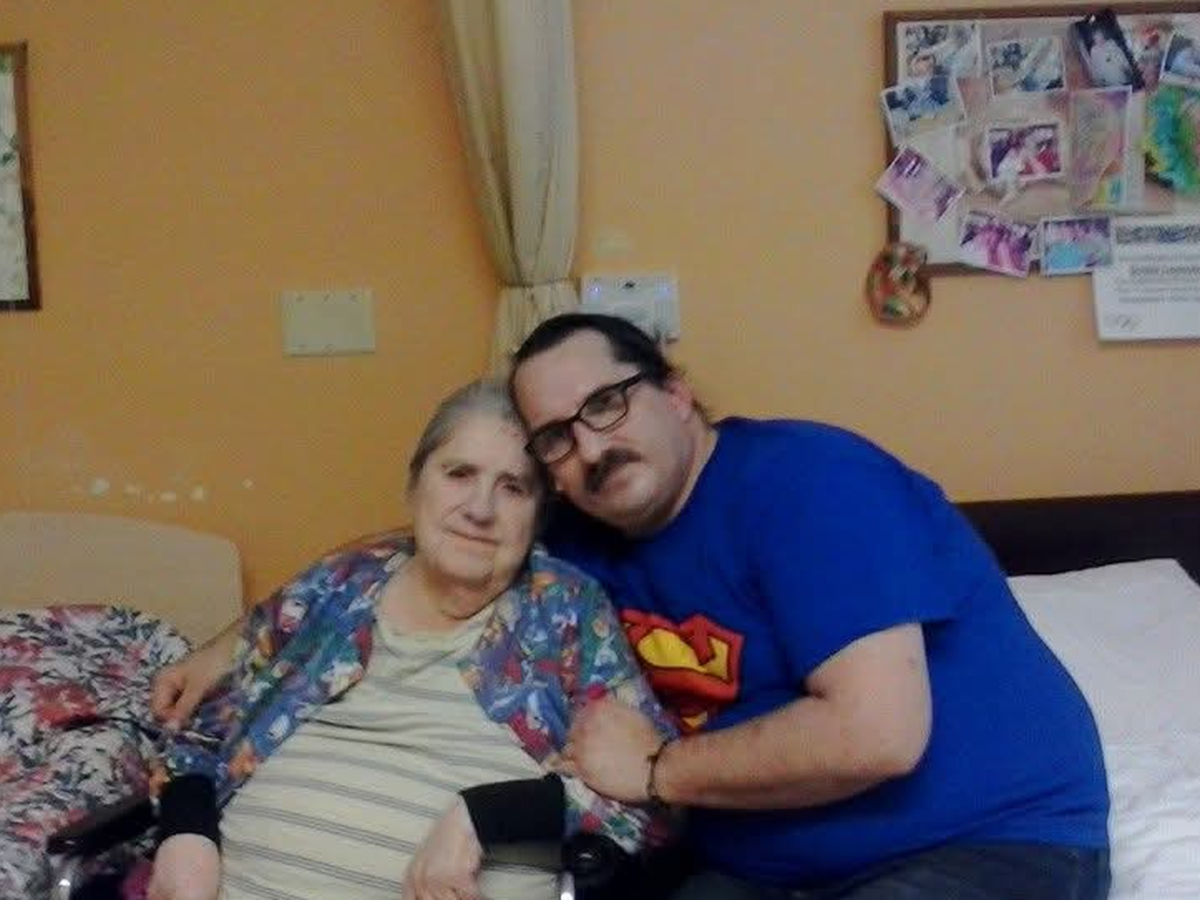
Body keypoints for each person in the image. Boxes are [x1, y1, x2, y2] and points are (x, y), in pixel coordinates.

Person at [155, 314, 1111, 900]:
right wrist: (229, 645)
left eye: (607, 404)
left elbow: (877, 734)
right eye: (556, 438)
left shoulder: (808, 483)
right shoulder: (584, 534)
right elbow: (419, 540)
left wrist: (656, 769)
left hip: (979, 843)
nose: (589, 446)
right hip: (763, 867)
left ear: (677, 395)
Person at [142, 379, 673, 900]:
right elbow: (201, 734)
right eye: (459, 474)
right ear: (414, 486)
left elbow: (646, 796)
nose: (480, 508)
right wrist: (185, 834)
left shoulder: (565, 609)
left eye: (513, 487)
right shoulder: (337, 584)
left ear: (538, 518)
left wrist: (489, 815)